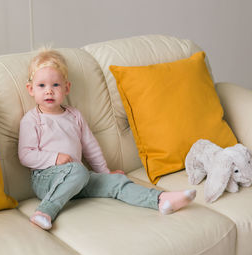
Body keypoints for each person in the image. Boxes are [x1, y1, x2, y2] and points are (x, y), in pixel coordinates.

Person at [18, 48, 196, 230]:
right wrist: (54, 158)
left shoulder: (74, 115)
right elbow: (25, 155)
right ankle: (44, 211)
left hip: (78, 178)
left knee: (116, 181)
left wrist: (104, 172)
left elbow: (90, 146)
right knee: (77, 171)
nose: (49, 91)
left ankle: (160, 200)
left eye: (55, 85)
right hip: (46, 179)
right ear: (31, 89)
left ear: (66, 88)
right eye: (42, 86)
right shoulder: (32, 120)